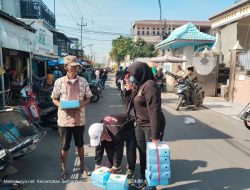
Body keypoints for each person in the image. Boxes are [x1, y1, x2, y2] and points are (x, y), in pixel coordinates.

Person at [125, 62, 166, 190]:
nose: (131, 76)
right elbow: (129, 103)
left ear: (140, 73)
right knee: (143, 153)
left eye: (132, 74)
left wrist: (155, 135)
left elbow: (154, 110)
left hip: (150, 126)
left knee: (151, 156)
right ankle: (144, 177)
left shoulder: (150, 86)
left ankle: (151, 184)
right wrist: (128, 88)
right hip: (140, 124)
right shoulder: (140, 85)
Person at [51, 55, 93, 180]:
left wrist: (81, 104)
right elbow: (54, 98)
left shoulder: (83, 81)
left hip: (79, 118)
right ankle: (63, 170)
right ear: (66, 67)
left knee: (80, 144)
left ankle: (83, 167)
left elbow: (88, 97)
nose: (75, 69)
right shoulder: (59, 82)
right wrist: (61, 106)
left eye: (76, 67)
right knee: (65, 146)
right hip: (64, 120)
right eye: (72, 67)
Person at [88, 113, 136, 179]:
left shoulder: (115, 132)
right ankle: (113, 165)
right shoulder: (97, 128)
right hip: (116, 129)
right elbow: (99, 147)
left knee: (131, 150)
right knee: (107, 145)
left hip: (130, 127)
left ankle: (130, 170)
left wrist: (116, 166)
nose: (100, 140)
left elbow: (119, 150)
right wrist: (97, 164)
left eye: (101, 137)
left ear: (103, 132)